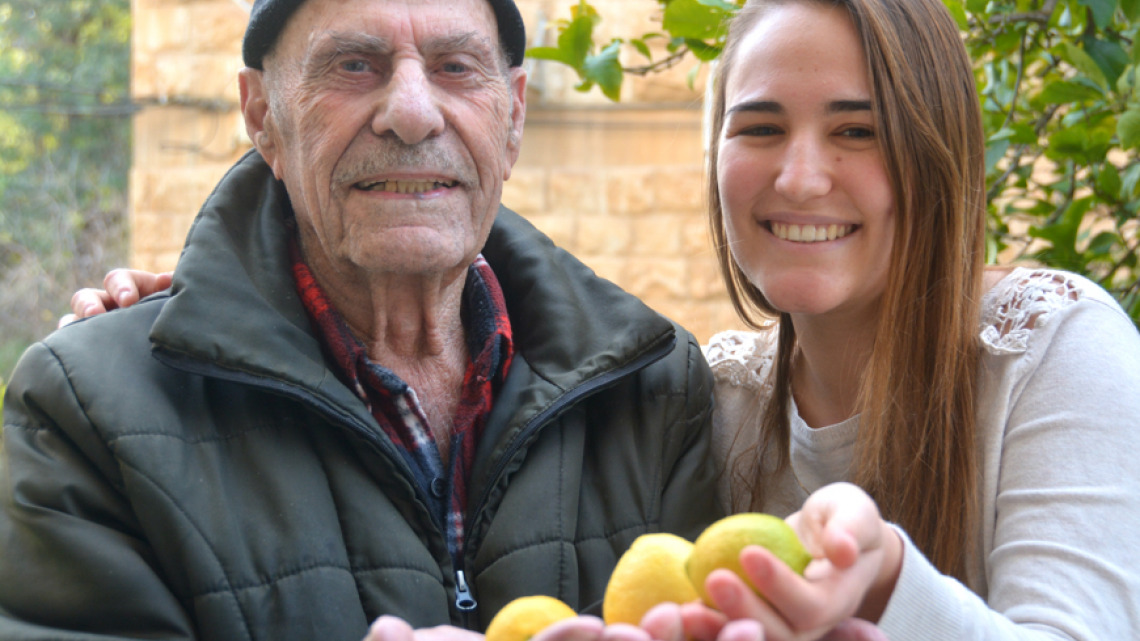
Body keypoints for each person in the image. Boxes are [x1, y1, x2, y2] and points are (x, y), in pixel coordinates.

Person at [0, 0, 730, 639]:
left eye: (454, 67)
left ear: (514, 116)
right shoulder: (88, 409)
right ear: (263, 117)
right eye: (354, 65)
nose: (412, 113)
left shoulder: (654, 390)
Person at [631, 0, 1140, 639]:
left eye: (857, 132)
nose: (800, 180)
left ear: (936, 152)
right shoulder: (719, 398)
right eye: (760, 129)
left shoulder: (1053, 349)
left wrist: (887, 581)